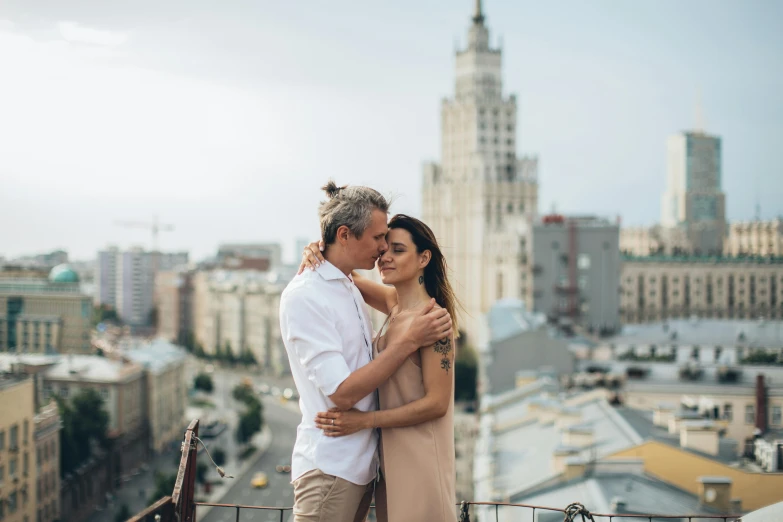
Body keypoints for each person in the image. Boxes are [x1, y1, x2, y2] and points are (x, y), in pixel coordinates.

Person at [280, 182, 453, 522]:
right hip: (360, 461)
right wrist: (317, 253)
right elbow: (332, 275)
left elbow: (437, 403)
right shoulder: (390, 305)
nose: (384, 252)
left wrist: (366, 421)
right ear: (345, 234)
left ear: (424, 258)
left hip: (401, 457)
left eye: (394, 247)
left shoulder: (432, 321)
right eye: (380, 241)